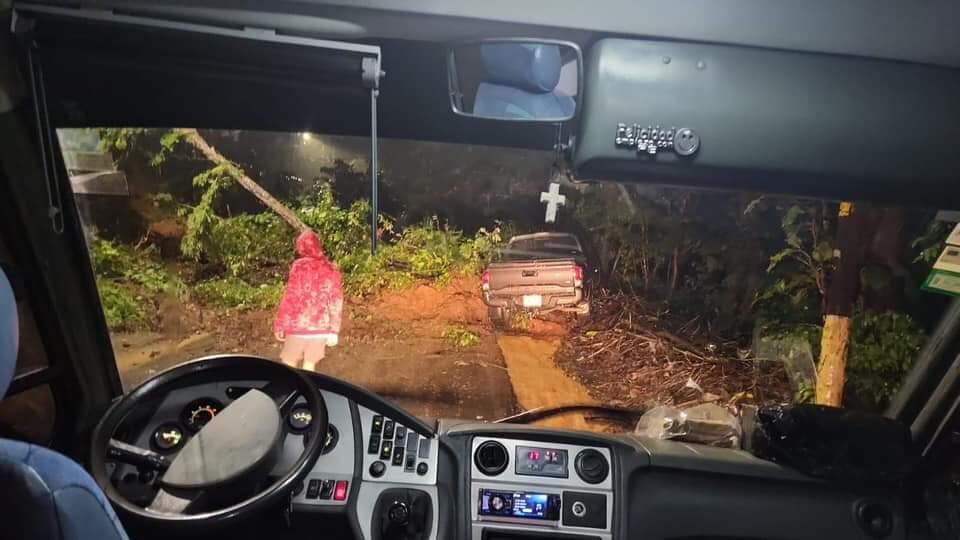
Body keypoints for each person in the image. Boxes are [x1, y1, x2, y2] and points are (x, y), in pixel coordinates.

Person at [274, 230, 343, 371]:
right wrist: (334, 330)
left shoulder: (299, 267)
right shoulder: (331, 268)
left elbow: (290, 297)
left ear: (301, 247)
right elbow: (336, 301)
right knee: (309, 368)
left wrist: (280, 325)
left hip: (297, 327)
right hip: (321, 329)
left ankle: (289, 392)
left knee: (289, 365)